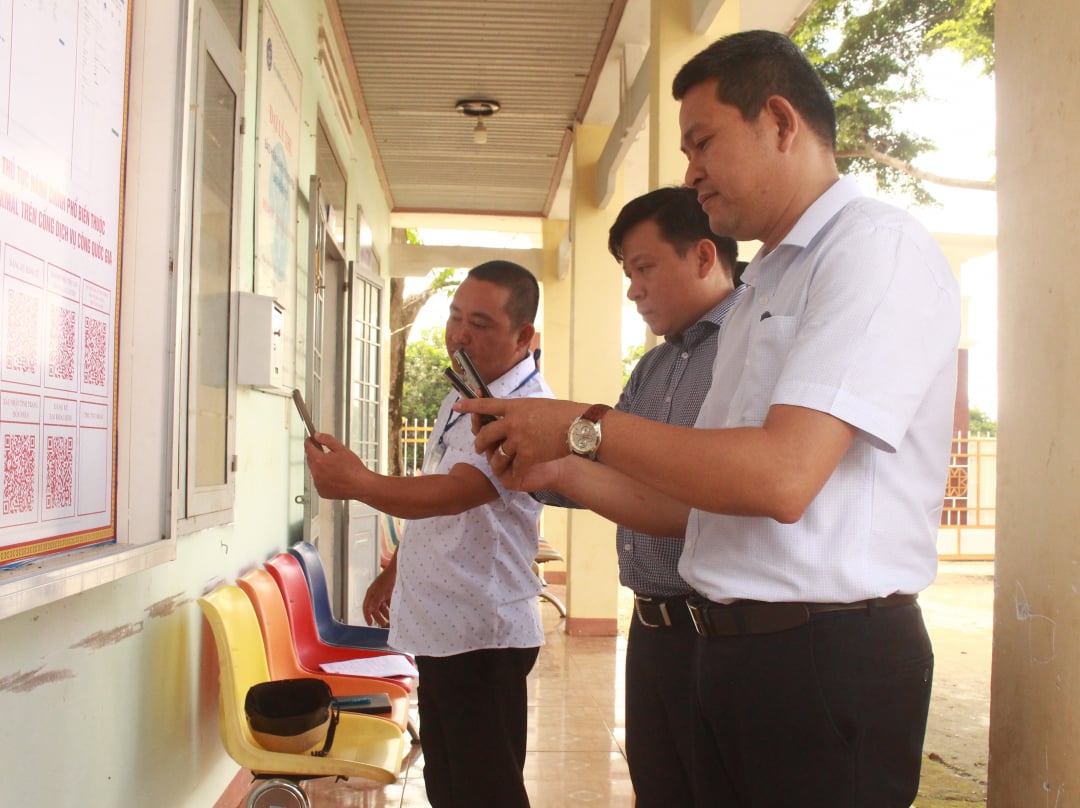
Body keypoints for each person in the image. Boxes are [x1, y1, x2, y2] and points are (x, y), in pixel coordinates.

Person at [455, 30, 960, 808]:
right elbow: (692, 508)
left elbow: (783, 477)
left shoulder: (874, 251)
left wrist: (583, 425)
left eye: (703, 143)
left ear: (781, 122)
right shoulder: (763, 288)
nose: (691, 173)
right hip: (730, 656)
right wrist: (555, 466)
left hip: (823, 660)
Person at [304, 260, 552, 808]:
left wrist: (359, 483)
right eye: (455, 317)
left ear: (523, 335)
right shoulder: (463, 391)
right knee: (449, 784)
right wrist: (396, 570)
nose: (459, 334)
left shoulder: (525, 408)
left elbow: (461, 491)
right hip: (444, 625)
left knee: (486, 790)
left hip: (481, 632)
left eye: (480, 324)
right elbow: (438, 487)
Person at [535, 185, 742, 806]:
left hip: (724, 633)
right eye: (627, 273)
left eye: (644, 268)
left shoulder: (751, 351)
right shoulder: (652, 369)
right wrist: (538, 467)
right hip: (653, 631)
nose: (633, 289)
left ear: (704, 256)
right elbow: (616, 479)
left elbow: (716, 492)